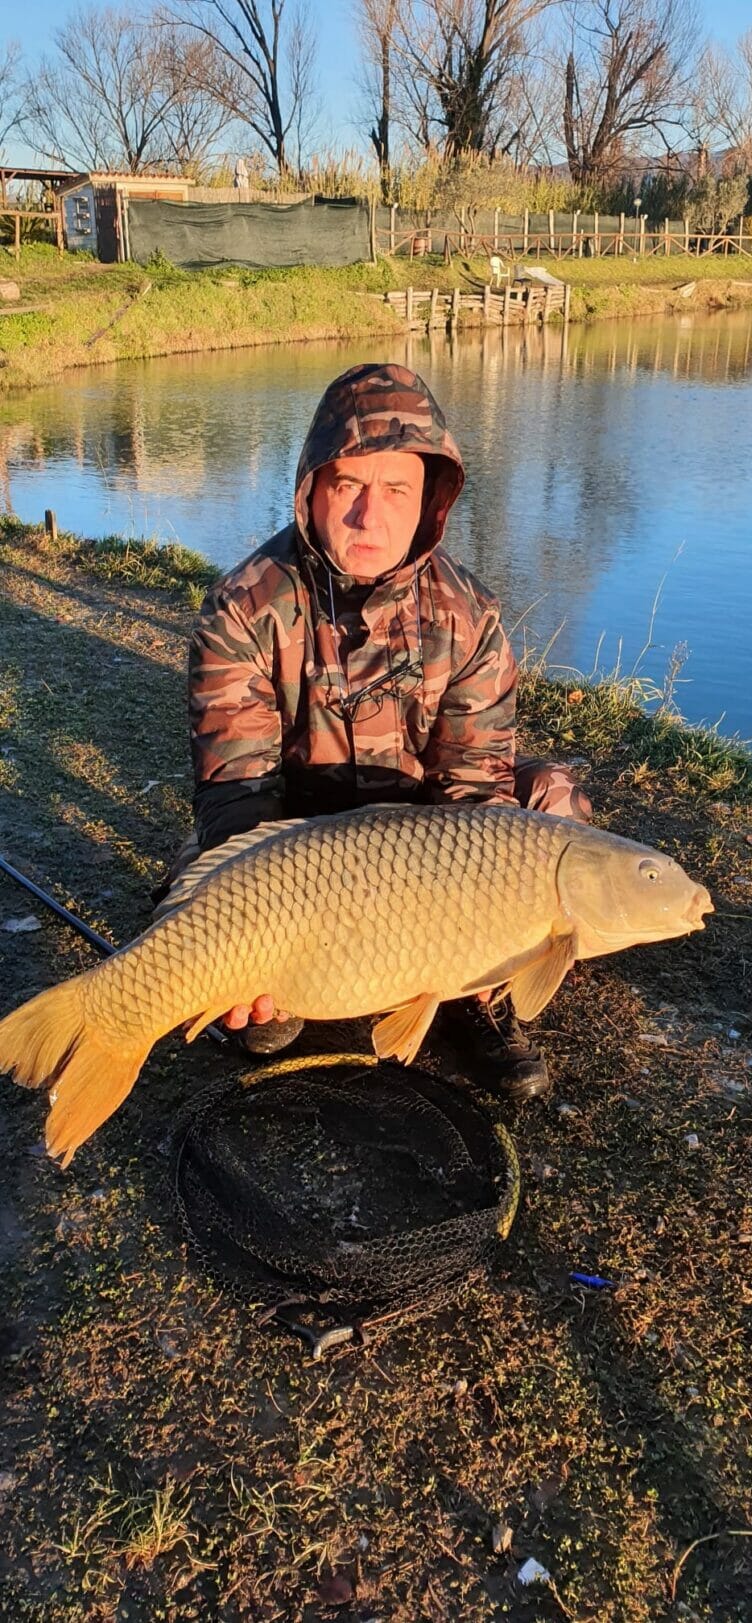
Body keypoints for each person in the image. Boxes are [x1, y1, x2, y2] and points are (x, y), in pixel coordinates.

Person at [169, 362, 592, 1099]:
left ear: (430, 497)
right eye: (348, 487)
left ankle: (474, 991)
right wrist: (240, 927)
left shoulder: (470, 615)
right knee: (261, 1023)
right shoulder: (243, 607)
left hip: (429, 849)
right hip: (299, 848)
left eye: (395, 489)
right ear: (313, 489)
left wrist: (490, 934)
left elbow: (474, 796)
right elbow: (238, 796)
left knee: (554, 810)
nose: (371, 516)